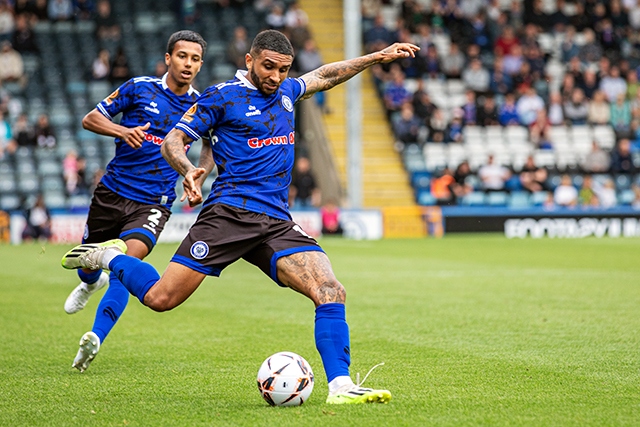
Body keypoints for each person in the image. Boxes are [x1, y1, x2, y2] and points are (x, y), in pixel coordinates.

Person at [61, 29, 419, 405]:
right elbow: (173, 141)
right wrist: (187, 170)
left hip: (276, 220)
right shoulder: (221, 97)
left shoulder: (286, 93)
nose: (276, 77)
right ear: (249, 61)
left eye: (284, 70)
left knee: (330, 290)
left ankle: (341, 387)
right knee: (161, 298)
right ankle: (107, 256)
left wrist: (376, 57)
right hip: (229, 214)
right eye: (268, 67)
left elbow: (326, 75)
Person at [61, 30, 210, 373]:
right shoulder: (139, 87)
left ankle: (95, 337)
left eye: (195, 58)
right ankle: (88, 282)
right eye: (183, 56)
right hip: (111, 193)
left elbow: (210, 147)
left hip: (153, 202)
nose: (188, 64)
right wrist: (122, 131)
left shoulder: (201, 105)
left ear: (200, 64)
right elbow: (90, 118)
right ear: (168, 58)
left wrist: (195, 172)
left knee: (124, 266)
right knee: (88, 262)